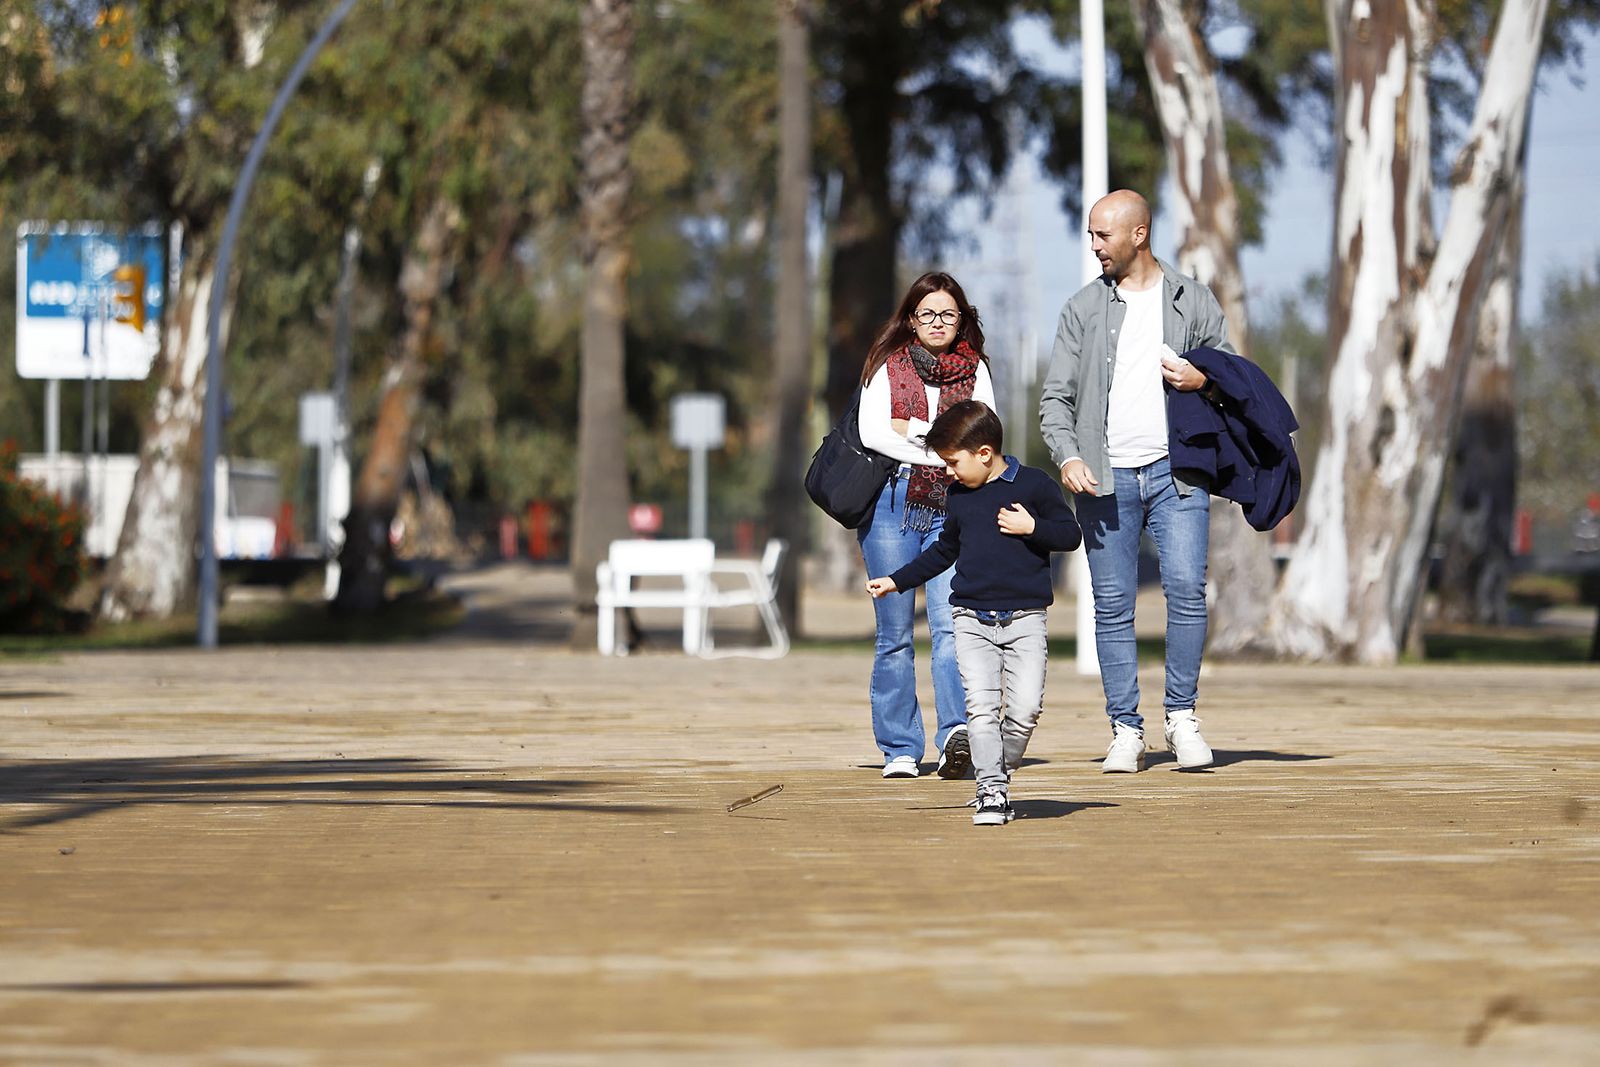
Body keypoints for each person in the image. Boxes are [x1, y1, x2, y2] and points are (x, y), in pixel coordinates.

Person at [1039, 189, 1233, 774]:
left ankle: (1182, 718)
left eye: (1103, 234)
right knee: (1113, 604)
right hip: (1105, 479)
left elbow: (1233, 378)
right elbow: (1055, 400)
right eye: (1092, 234)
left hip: (1179, 477)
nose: (1094, 244)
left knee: (1185, 593)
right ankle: (1126, 728)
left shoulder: (1192, 300)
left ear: (1138, 235)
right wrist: (1069, 455)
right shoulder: (1081, 309)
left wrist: (1204, 379)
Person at [867, 401, 1082, 824]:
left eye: (952, 462)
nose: (948, 472)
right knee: (981, 709)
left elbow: (1070, 534)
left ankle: (997, 767)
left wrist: (1033, 528)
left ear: (984, 453)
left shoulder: (1035, 487)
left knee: (1024, 711)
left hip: (1025, 620)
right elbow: (944, 550)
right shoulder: (959, 497)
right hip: (971, 620)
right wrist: (897, 580)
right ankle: (991, 792)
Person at [857, 271, 997, 780]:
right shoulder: (885, 367)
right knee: (894, 632)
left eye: (948, 314)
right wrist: (946, 442)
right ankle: (899, 747)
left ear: (961, 319)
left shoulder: (976, 370)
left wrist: (911, 430)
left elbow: (984, 433)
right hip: (892, 506)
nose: (938, 323)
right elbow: (875, 435)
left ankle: (955, 736)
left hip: (953, 507)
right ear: (911, 319)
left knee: (950, 626)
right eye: (928, 314)